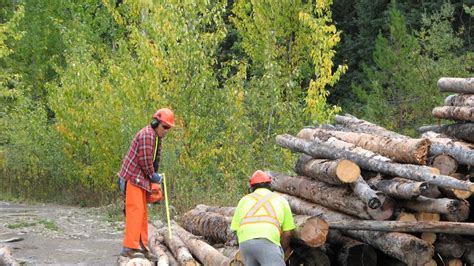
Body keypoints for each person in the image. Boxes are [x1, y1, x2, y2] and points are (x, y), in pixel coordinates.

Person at [117, 108, 175, 260]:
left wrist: (154, 179)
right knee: (135, 212)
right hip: (132, 178)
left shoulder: (156, 138)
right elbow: (145, 161)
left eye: (169, 128)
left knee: (142, 213)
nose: (166, 130)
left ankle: (142, 246)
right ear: (155, 123)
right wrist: (153, 176)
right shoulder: (147, 135)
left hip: (140, 180)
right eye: (165, 127)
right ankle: (129, 247)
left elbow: (154, 160)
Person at [231, 170, 296, 266]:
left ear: (251, 187)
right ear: (269, 185)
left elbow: (235, 229)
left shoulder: (244, 200)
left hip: (245, 244)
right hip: (267, 241)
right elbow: (288, 233)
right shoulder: (281, 200)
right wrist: (281, 250)